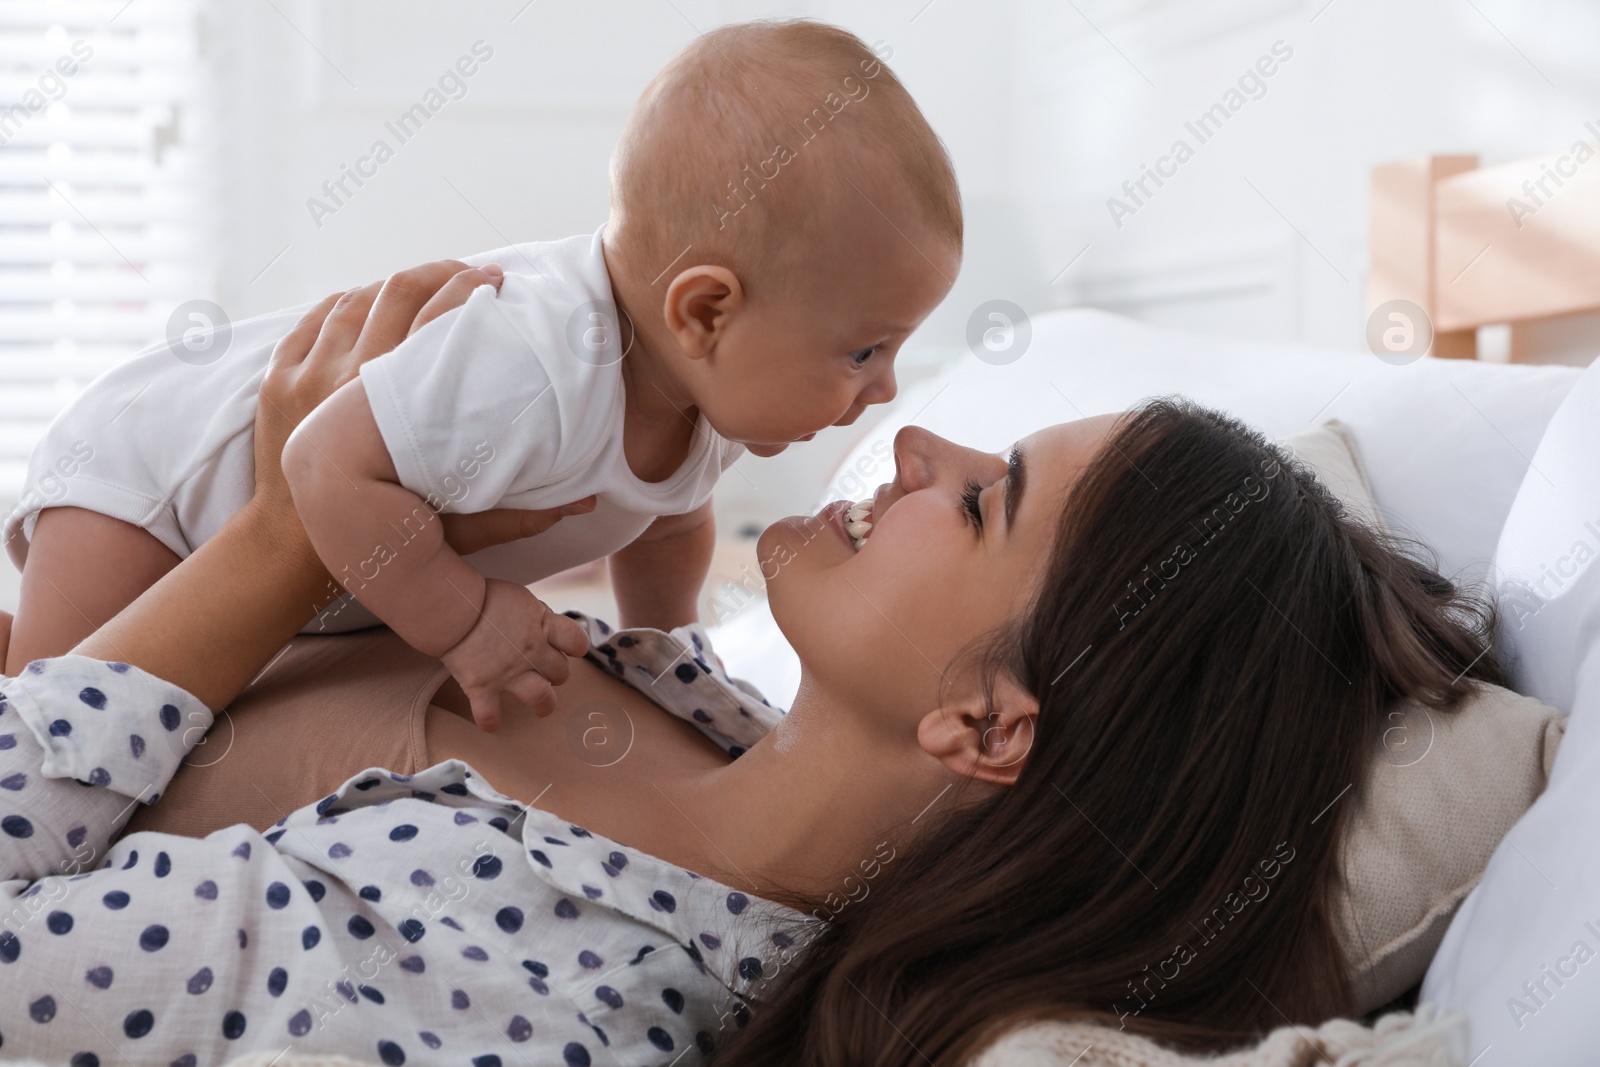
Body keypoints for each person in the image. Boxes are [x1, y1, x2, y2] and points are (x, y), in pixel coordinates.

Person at [0, 265, 1503, 1067]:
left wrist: (277, 538)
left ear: (985, 723)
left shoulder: (536, 977)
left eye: (984, 499)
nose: (914, 438)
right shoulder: (692, 697)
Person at [0, 19, 962, 731]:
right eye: (864, 350)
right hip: (148, 480)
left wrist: (669, 651)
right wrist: (467, 621)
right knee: (66, 730)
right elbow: (324, 466)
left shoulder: (699, 402)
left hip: (300, 570)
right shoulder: (534, 360)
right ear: (705, 312)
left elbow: (670, 516)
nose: (882, 390)